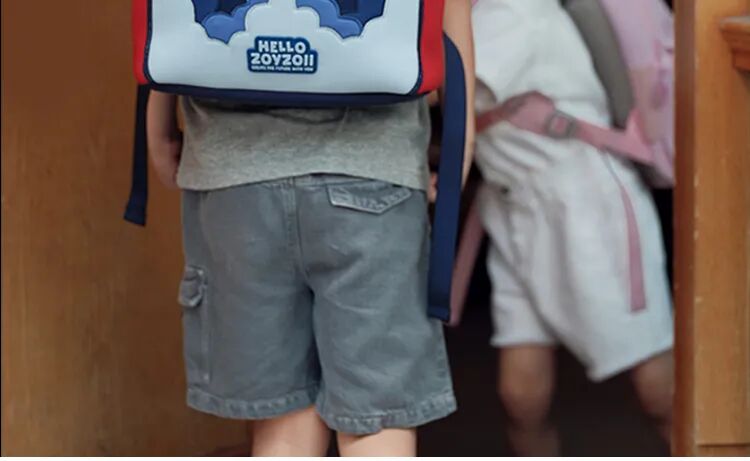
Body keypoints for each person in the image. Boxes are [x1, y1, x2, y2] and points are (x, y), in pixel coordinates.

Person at [146, 0, 475, 456]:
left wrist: (158, 124)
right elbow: (448, 12)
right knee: (378, 419)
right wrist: (460, 144)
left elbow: (169, 19)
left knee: (282, 417)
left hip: (234, 175)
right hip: (372, 169)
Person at [472, 0, 674, 455]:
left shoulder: (516, 12)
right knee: (521, 397)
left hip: (587, 205)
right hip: (515, 206)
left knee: (656, 384)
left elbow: (439, 89)